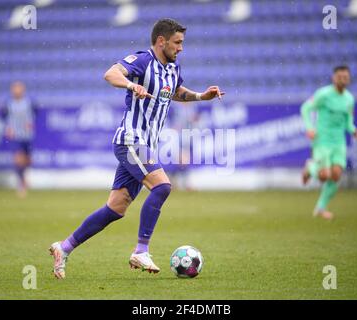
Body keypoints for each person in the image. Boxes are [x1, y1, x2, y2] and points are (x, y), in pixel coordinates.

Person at [49, 18, 225, 279]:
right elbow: (111, 74)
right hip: (130, 140)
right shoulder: (143, 60)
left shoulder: (173, 69)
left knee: (116, 208)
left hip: (146, 145)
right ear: (161, 41)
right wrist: (132, 84)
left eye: (182, 43)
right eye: (177, 43)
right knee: (163, 186)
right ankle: (141, 250)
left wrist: (200, 96)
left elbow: (174, 92)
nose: (181, 48)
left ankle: (63, 248)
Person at [301, 65, 357, 220]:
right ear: (334, 78)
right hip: (322, 141)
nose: (343, 80)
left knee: (335, 176)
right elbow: (306, 108)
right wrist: (309, 127)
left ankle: (320, 208)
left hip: (339, 143)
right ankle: (310, 167)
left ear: (349, 79)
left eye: (346, 77)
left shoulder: (349, 99)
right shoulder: (324, 94)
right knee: (324, 176)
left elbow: (348, 121)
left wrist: (353, 130)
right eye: (340, 77)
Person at [2, 81, 36, 198]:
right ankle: (21, 185)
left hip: (27, 135)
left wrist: (30, 124)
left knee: (28, 161)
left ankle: (24, 177)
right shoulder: (8, 103)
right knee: (18, 159)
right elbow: (4, 117)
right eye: (15, 88)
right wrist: (8, 128)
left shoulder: (29, 102)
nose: (17, 91)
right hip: (16, 135)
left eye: (19, 88)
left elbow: (35, 114)